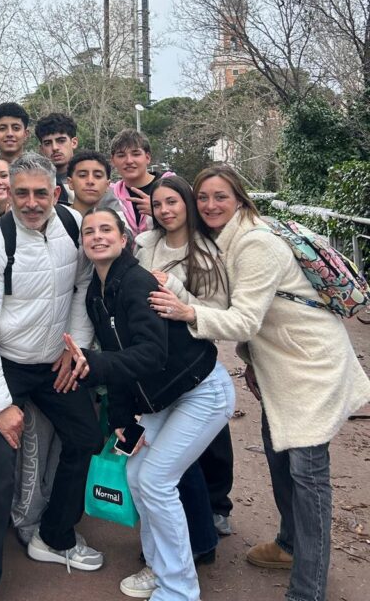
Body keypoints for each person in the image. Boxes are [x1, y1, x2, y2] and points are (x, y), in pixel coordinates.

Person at [150, 164, 370, 601]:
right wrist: (250, 359)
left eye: (221, 197)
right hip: (278, 364)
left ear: (240, 199)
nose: (210, 205)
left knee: (308, 475)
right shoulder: (226, 239)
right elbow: (252, 313)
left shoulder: (255, 243)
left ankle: (307, 590)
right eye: (203, 197)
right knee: (278, 454)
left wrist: (187, 312)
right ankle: (289, 544)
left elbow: (245, 319)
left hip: (310, 366)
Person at [64, 205, 234, 601]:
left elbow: (152, 354)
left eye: (106, 230)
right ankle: (160, 569)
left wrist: (94, 363)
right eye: (89, 232)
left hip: (202, 391)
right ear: (83, 244)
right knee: (137, 472)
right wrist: (122, 420)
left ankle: (180, 589)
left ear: (124, 239)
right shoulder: (98, 293)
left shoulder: (136, 282)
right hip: (164, 399)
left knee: (156, 480)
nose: (97, 236)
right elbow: (118, 362)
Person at [0, 153, 104, 601]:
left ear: (56, 192)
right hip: (8, 365)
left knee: (86, 437)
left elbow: (82, 286)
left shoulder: (74, 225)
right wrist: (0, 406)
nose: (32, 202)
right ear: (9, 193)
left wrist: (73, 347)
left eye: (41, 192)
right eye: (21, 193)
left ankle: (54, 535)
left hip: (54, 361)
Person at [134, 175, 232, 584]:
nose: (165, 210)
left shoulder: (205, 253)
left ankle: (183, 568)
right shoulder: (144, 245)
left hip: (194, 374)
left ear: (187, 203)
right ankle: (159, 559)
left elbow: (218, 314)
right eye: (158, 204)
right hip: (154, 378)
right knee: (141, 471)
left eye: (172, 202)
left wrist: (176, 294)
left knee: (161, 475)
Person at [109, 129, 168, 237]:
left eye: (136, 154)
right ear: (112, 161)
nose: (129, 161)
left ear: (147, 157)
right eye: (121, 155)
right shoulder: (110, 194)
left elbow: (191, 220)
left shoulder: (172, 186)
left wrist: (157, 209)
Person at [35, 113, 78, 204]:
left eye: (61, 141)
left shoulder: (90, 179)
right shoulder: (36, 183)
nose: (54, 148)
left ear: (74, 143)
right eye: (48, 143)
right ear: (41, 149)